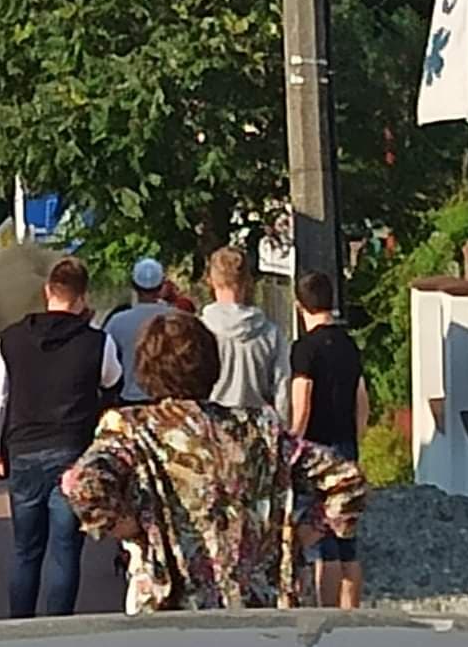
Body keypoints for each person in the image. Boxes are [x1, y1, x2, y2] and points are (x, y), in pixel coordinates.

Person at [61, 312, 368, 612]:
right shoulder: (259, 428)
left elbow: (84, 486)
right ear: (213, 367)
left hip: (169, 607)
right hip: (258, 609)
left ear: (144, 370)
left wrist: (135, 529)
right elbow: (345, 480)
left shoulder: (134, 430)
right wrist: (295, 536)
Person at [0, 256, 123, 618]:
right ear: (83, 297)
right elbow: (111, 380)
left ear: (47, 292)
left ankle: (18, 625)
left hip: (24, 453)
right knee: (65, 548)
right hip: (72, 455)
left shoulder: (9, 340)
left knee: (25, 549)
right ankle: (59, 629)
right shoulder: (97, 342)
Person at [289, 272, 370, 608]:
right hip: (346, 444)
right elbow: (362, 399)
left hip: (317, 450)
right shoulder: (349, 344)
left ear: (299, 306)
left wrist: (293, 442)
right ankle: (353, 613)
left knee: (323, 540)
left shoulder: (304, 349)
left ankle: (327, 613)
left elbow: (302, 400)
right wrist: (356, 436)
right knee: (347, 539)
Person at [201, 246, 288, 412]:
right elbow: (282, 387)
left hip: (214, 423)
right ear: (247, 281)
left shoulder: (201, 330)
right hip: (259, 424)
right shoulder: (270, 333)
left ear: (211, 280)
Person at [102, 258, 174, 402]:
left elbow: (104, 361)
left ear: (134, 285)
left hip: (127, 400)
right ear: (161, 286)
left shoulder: (117, 322)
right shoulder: (176, 319)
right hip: (166, 403)